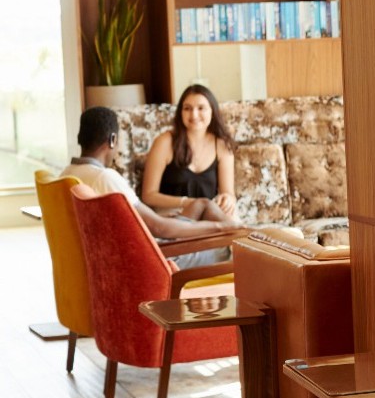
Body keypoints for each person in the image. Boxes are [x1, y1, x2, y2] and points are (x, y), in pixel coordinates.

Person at [63, 107, 242, 270]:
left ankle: (245, 232)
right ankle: (244, 234)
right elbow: (158, 228)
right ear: (112, 140)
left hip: (132, 243)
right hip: (148, 256)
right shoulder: (104, 177)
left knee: (202, 204)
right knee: (226, 249)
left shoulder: (67, 174)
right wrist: (221, 227)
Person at [141, 84, 237, 218]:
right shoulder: (164, 142)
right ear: (180, 112)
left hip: (207, 213)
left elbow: (228, 192)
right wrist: (187, 202)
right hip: (171, 214)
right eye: (187, 108)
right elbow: (148, 195)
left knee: (232, 222)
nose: (194, 114)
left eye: (201, 108)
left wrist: (228, 199)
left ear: (212, 111)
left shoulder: (222, 145)